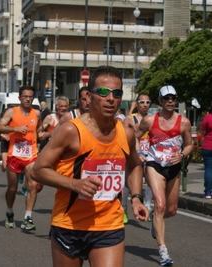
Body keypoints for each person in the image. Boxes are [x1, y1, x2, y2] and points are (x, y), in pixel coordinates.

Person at [31, 65, 149, 266]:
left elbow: (135, 164)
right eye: (103, 92)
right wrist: (75, 184)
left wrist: (137, 197)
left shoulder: (125, 133)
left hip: (109, 224)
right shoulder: (71, 131)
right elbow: (38, 170)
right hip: (69, 224)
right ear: (90, 95)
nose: (111, 98)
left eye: (117, 93)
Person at [136, 85, 192, 266]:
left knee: (170, 210)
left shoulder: (184, 122)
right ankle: (163, 252)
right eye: (166, 98)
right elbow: (134, 136)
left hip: (173, 167)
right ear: (160, 101)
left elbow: (190, 145)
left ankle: (155, 217)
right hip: (154, 165)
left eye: (173, 98)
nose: (170, 101)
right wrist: (139, 153)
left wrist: (182, 154)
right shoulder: (150, 120)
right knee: (160, 205)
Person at [0, 85, 42, 230]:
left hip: (31, 155)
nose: (27, 99)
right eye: (25, 96)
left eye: (30, 97)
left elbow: (38, 130)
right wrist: (14, 129)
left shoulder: (37, 114)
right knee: (12, 188)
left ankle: (28, 217)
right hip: (14, 155)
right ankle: (9, 212)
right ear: (20, 98)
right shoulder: (12, 112)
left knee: (33, 185)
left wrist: (42, 136)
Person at [121, 94, 154, 223]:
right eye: (142, 102)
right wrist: (138, 151)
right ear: (137, 104)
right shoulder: (130, 119)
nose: (145, 105)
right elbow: (125, 137)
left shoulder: (153, 119)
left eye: (147, 102)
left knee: (151, 180)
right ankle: (123, 208)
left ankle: (147, 206)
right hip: (134, 153)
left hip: (150, 153)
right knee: (128, 182)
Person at [200, 104, 212, 199]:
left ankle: (208, 192)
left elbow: (202, 131)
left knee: (208, 170)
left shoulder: (207, 117)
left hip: (208, 146)